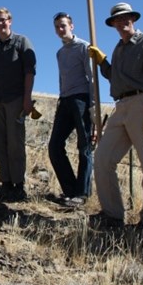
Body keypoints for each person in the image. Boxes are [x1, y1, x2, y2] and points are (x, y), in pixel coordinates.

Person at [88, 2, 143, 229]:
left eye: (127, 18)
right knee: (103, 160)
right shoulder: (119, 48)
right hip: (120, 105)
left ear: (133, 19)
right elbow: (116, 77)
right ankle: (113, 214)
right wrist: (103, 62)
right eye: (119, 19)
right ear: (113, 23)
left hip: (142, 103)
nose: (123, 22)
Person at [0, 7, 36, 202]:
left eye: (3, 20)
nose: (0, 23)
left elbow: (30, 71)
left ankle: (19, 185)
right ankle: (5, 183)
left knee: (15, 143)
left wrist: (27, 98)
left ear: (10, 20)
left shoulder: (22, 42)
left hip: (16, 99)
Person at [48, 12, 94, 208]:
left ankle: (82, 194)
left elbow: (91, 77)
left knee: (84, 147)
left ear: (72, 26)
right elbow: (61, 78)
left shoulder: (84, 47)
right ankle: (70, 190)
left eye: (63, 25)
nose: (60, 29)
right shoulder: (60, 53)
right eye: (57, 26)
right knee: (55, 146)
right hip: (65, 99)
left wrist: (93, 105)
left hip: (82, 99)